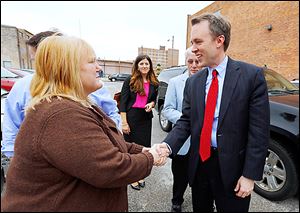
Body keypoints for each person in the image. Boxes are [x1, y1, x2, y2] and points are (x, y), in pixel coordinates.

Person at [1, 35, 164, 212]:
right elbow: (111, 170)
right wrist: (151, 157)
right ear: (68, 69)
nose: (98, 68)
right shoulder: (61, 115)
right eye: (92, 61)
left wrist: (141, 150)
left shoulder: (72, 104)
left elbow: (102, 142)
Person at [158, 13, 270, 212]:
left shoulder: (251, 76)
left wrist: (250, 175)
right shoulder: (194, 82)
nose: (193, 49)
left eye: (198, 41)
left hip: (234, 170)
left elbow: (259, 132)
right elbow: (186, 122)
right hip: (199, 164)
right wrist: (167, 146)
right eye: (192, 42)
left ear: (219, 40)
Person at [1, 31, 121, 159]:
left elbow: (111, 114)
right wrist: (15, 159)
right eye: (36, 60)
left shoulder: (92, 84)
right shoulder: (28, 91)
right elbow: (12, 126)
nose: (41, 65)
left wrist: (113, 142)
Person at [162, 47, 203, 212]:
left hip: (203, 142)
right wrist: (188, 121)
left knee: (202, 177)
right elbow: (167, 109)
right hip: (183, 142)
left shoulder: (210, 81)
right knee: (180, 176)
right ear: (186, 62)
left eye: (197, 61)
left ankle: (204, 200)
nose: (194, 65)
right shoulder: (175, 82)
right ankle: (177, 201)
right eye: (190, 61)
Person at [119, 54, 159, 190]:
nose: (144, 66)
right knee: (131, 148)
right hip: (131, 117)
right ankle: (132, 177)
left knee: (143, 147)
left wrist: (152, 104)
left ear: (150, 66)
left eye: (147, 64)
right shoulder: (130, 80)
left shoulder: (154, 82)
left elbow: (154, 99)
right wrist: (124, 123)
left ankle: (139, 174)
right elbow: (123, 103)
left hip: (145, 118)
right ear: (137, 66)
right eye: (141, 63)